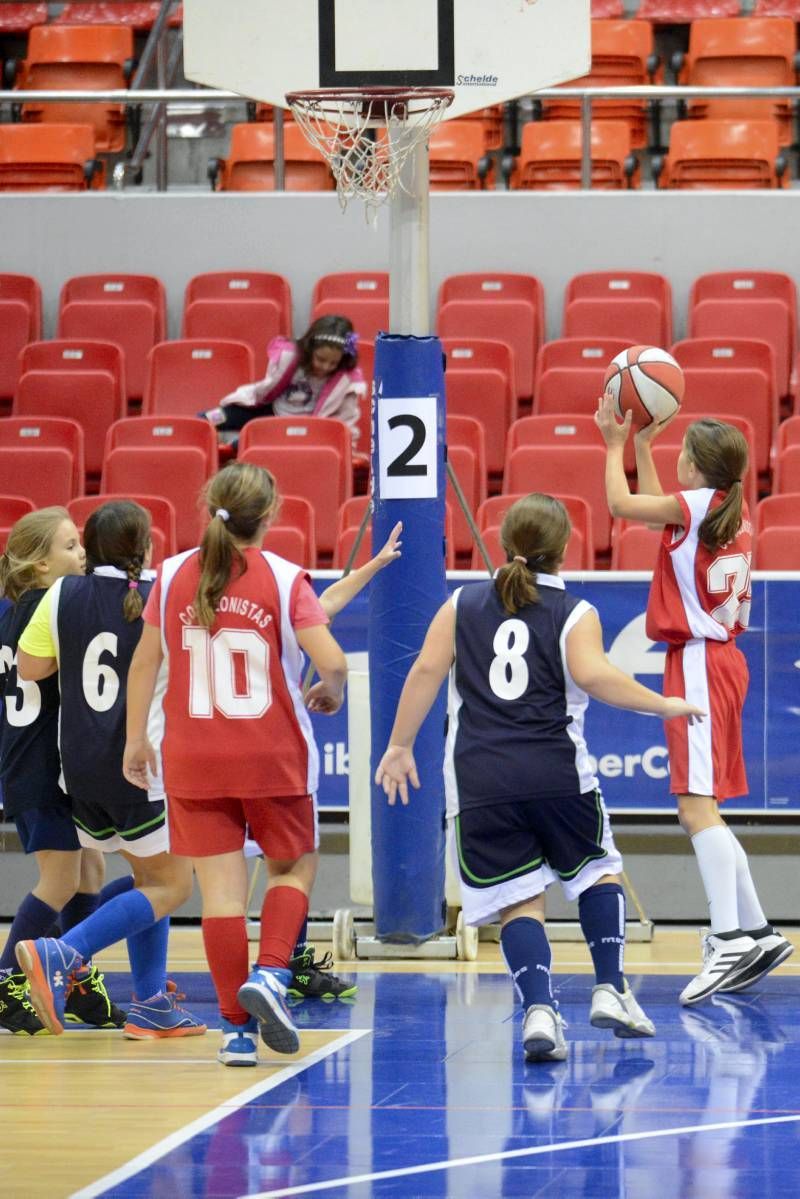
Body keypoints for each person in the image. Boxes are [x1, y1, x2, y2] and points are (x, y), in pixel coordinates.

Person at [375, 493, 705, 1063]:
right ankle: (609, 987)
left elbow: (426, 671)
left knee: (517, 902)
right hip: (555, 771)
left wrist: (399, 745)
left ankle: (539, 1011)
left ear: (507, 544)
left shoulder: (461, 604)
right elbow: (596, 676)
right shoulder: (575, 612)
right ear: (564, 548)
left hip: (479, 780)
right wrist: (665, 704)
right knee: (599, 872)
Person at [121, 462, 349, 1067]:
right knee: (292, 870)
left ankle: (235, 1033)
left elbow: (143, 663)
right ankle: (272, 974)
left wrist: (133, 741)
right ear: (269, 516)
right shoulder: (281, 575)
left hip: (192, 756)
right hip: (269, 753)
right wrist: (332, 689)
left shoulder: (168, 576)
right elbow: (334, 661)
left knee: (221, 898)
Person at [594, 397, 793, 1005]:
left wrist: (611, 445)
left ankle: (728, 937)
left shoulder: (697, 506)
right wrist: (647, 448)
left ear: (700, 466)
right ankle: (756, 929)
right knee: (705, 805)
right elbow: (661, 520)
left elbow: (622, 506)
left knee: (693, 806)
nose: (675, 456)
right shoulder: (723, 508)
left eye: (681, 451)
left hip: (702, 663)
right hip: (723, 660)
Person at [14, 501, 206, 1040]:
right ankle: (62, 951)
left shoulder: (60, 594)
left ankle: (149, 1004)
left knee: (150, 879)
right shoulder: (157, 597)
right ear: (142, 550)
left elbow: (31, 669)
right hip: (139, 763)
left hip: (77, 769)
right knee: (174, 885)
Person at [0, 508, 124, 1035]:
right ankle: (6, 979)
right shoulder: (49, 607)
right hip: (37, 766)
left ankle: (74, 980)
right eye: (71, 547)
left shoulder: (15, 608)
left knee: (91, 869)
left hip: (47, 764)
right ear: (40, 564)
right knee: (63, 876)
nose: (82, 555)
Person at [199, 314, 365, 448]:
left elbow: (347, 419)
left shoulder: (346, 382)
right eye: (320, 359)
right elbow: (268, 387)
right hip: (271, 409)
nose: (326, 366)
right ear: (309, 350)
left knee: (244, 446)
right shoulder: (289, 358)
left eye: (333, 363)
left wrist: (349, 447)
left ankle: (232, 442)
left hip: (300, 430)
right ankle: (217, 432)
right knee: (207, 419)